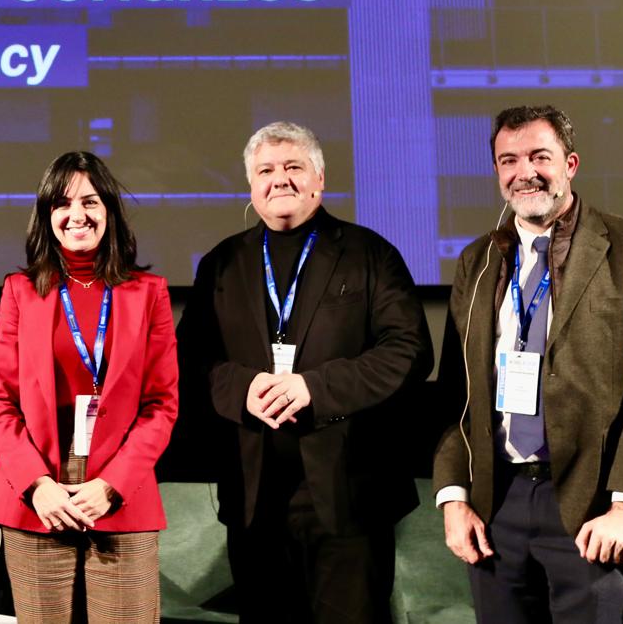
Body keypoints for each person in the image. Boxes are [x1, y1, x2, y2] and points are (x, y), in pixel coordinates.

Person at [434, 105, 623, 623]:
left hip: (589, 504)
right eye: (508, 159)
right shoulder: (477, 261)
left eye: (538, 156)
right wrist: (453, 497)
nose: (523, 171)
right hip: (495, 505)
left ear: (570, 164)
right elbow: (456, 394)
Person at [176, 121, 432, 624]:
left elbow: (409, 351)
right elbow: (190, 359)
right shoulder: (221, 263)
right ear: (251, 185)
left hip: (349, 498)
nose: (280, 179)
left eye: (294, 167)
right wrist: (243, 388)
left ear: (319, 178)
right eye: (266, 170)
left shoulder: (370, 254)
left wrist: (314, 387)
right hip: (255, 498)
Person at [0, 151, 179, 624]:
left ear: (108, 210)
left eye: (90, 201)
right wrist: (36, 484)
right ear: (47, 215)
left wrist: (112, 484)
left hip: (119, 493)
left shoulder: (148, 292)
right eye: (62, 204)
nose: (77, 215)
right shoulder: (19, 291)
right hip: (38, 498)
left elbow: (161, 405)